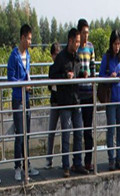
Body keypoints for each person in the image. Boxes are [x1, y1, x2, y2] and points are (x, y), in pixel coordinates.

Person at [49, 28, 89, 177]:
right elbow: (52, 75)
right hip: (65, 102)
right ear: (70, 41)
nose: (79, 44)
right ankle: (66, 165)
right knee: (66, 134)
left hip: (76, 100)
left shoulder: (77, 57)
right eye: (77, 41)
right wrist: (65, 76)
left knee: (79, 133)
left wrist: (82, 75)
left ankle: (77, 163)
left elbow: (77, 72)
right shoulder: (61, 58)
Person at [8, 23, 39, 183]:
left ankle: (27, 165)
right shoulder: (14, 56)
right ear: (22, 37)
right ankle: (17, 167)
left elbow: (28, 75)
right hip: (18, 99)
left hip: (26, 99)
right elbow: (10, 78)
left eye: (30, 39)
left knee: (26, 135)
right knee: (19, 134)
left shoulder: (28, 56)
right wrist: (23, 84)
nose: (29, 42)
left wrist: (29, 84)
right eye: (28, 39)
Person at [99, 30, 120, 170]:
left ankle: (119, 158)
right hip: (111, 99)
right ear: (111, 44)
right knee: (111, 129)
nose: (117, 46)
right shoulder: (107, 57)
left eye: (119, 43)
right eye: (115, 44)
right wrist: (111, 75)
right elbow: (101, 74)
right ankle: (111, 158)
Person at [77, 19, 96, 172]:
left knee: (88, 130)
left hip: (89, 93)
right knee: (78, 129)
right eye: (84, 33)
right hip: (78, 94)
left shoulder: (90, 48)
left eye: (87, 33)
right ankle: (76, 161)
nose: (86, 36)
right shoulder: (76, 49)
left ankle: (88, 161)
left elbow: (93, 67)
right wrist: (79, 74)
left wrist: (91, 78)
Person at [46, 42, 61, 169]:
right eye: (55, 54)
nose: (56, 56)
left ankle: (64, 160)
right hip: (54, 103)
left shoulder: (63, 66)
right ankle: (48, 159)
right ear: (51, 55)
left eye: (58, 54)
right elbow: (50, 86)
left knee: (65, 132)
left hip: (63, 102)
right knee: (51, 132)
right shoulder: (51, 68)